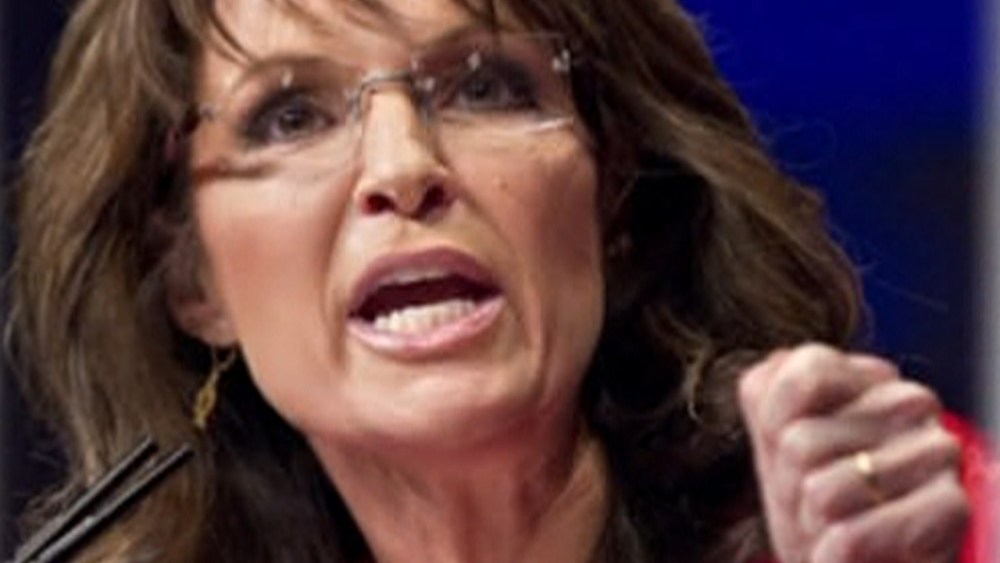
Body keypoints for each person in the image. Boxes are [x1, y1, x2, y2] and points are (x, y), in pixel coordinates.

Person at [5, 0, 982, 561]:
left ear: (614, 202)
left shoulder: (882, 510)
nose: (403, 168)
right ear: (193, 280)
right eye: (291, 116)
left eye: (485, 87)